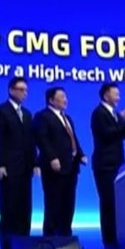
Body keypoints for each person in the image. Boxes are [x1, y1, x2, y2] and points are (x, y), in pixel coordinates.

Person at [90, 83, 125, 249]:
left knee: (116, 202)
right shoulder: (99, 113)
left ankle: (117, 236)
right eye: (115, 94)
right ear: (106, 96)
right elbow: (109, 135)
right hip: (105, 164)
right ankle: (109, 239)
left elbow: (122, 135)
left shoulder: (114, 114)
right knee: (108, 201)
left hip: (117, 163)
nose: (118, 97)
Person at [0, 77, 36, 249]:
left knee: (25, 207)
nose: (25, 93)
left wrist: (35, 163)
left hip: (25, 168)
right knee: (9, 208)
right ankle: (8, 247)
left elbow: (31, 142)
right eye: (21, 89)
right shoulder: (1, 111)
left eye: (26, 90)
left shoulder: (27, 114)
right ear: (11, 90)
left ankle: (24, 243)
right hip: (8, 168)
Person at [34, 86, 86, 237]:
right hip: (54, 168)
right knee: (53, 203)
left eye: (65, 96)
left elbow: (73, 138)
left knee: (68, 203)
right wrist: (52, 157)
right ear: (51, 100)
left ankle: (66, 236)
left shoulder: (66, 118)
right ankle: (50, 238)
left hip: (71, 167)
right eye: (61, 96)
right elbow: (42, 139)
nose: (65, 100)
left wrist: (80, 155)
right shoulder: (42, 116)